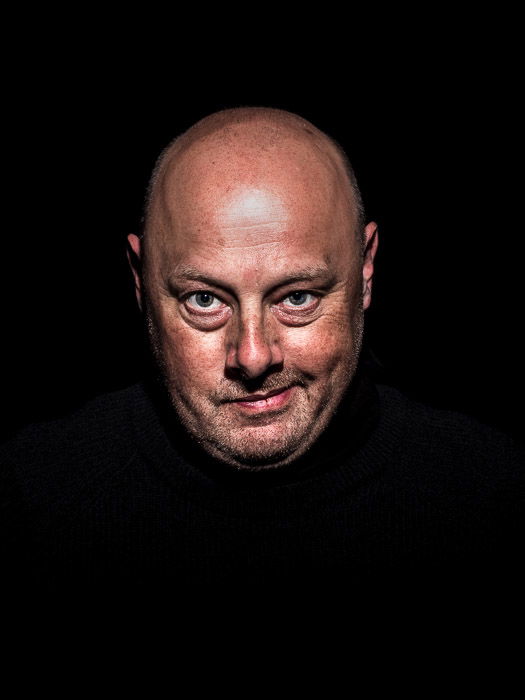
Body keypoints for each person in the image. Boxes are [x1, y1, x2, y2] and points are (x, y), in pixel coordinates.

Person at [1, 107, 523, 605]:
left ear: (366, 270)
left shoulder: (491, 496)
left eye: (298, 297)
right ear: (140, 282)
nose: (252, 357)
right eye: (204, 300)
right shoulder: (32, 498)